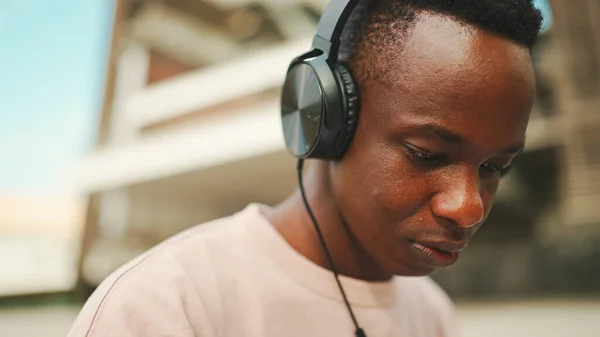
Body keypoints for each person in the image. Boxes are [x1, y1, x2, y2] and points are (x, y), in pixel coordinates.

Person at [68, 1, 543, 336]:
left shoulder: (433, 316)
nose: (469, 206)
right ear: (326, 118)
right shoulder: (165, 308)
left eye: (494, 166)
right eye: (427, 154)